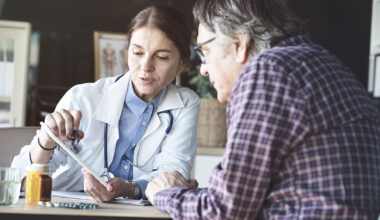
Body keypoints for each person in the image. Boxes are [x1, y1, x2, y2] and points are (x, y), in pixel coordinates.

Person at [145, 0, 380, 219]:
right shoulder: (330, 67)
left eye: (204, 53)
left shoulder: (268, 70)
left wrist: (165, 193)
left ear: (239, 44)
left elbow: (225, 210)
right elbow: (246, 200)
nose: (203, 70)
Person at [11, 6, 200, 203]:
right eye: (137, 52)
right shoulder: (83, 97)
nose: (145, 66)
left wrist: (129, 189)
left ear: (182, 63)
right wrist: (46, 143)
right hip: (69, 209)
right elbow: (17, 180)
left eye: (161, 57)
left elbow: (172, 177)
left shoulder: (186, 103)